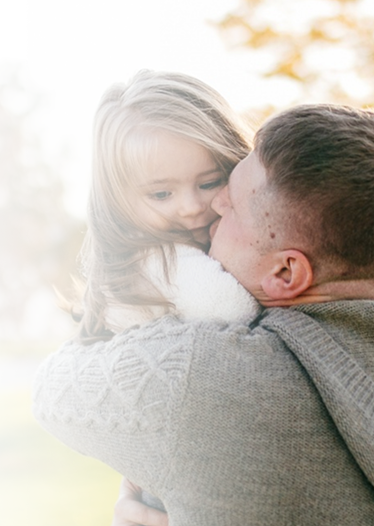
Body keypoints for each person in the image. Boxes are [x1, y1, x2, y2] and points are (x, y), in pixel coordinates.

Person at [33, 99, 374, 526]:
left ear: (287, 274)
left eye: (232, 205)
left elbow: (53, 389)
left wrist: (142, 475)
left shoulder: (203, 378)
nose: (210, 207)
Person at [75, 69, 260, 344]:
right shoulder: (157, 261)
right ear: (116, 201)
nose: (191, 207)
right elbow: (233, 310)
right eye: (161, 194)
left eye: (210, 183)